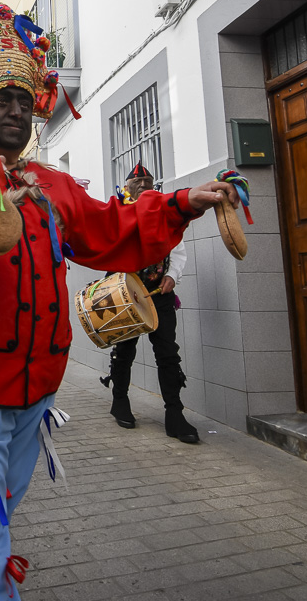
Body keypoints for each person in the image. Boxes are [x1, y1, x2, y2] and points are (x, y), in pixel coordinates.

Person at [0, 3, 238, 598]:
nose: (18, 109)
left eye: (25, 99)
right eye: (2, 99)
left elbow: (109, 230)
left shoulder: (54, 187)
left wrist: (180, 204)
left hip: (36, 390)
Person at [101, 163, 199, 443]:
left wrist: (171, 276)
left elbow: (177, 250)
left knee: (168, 353)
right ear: (127, 186)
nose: (143, 185)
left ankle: (174, 413)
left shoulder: (164, 211)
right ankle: (119, 400)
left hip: (159, 294)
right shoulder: (118, 211)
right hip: (124, 294)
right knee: (125, 350)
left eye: (147, 180)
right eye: (137, 181)